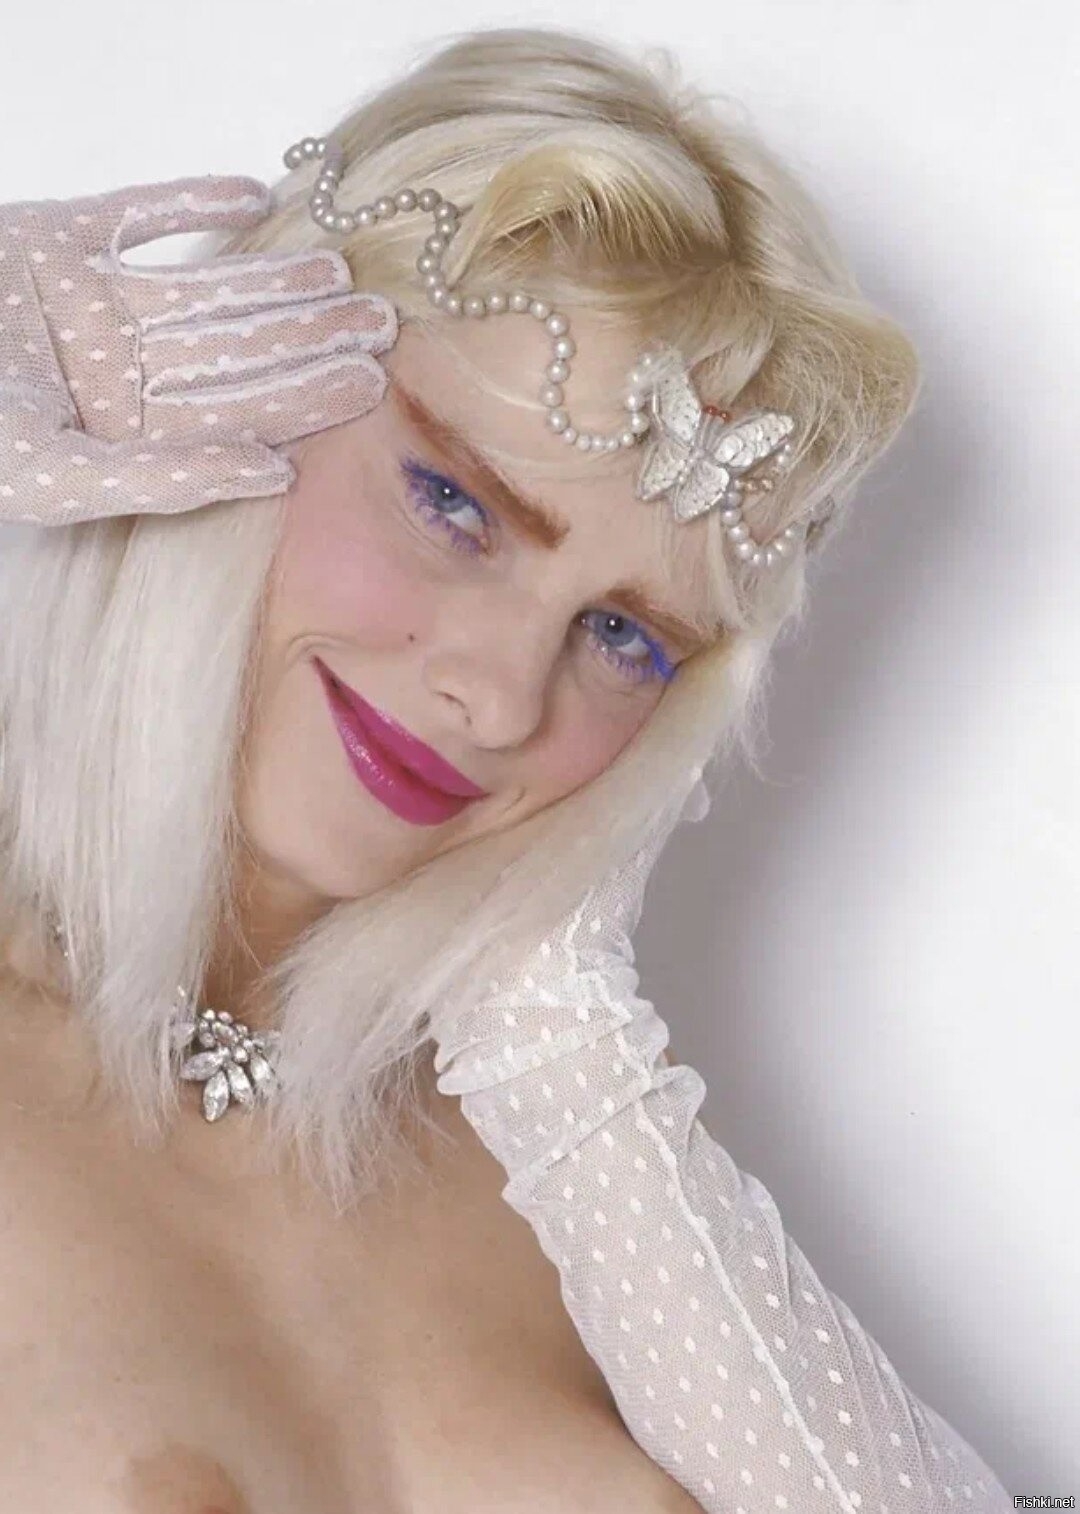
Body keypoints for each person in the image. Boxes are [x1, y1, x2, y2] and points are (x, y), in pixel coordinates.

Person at [0, 25, 1011, 1514]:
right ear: (235, 388)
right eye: (454, 504)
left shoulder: (573, 1164)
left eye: (622, 635)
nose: (496, 697)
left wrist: (553, 1003)